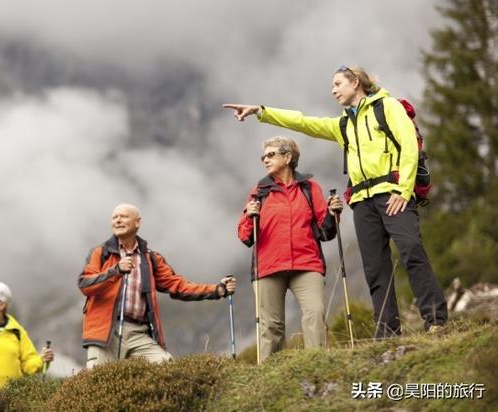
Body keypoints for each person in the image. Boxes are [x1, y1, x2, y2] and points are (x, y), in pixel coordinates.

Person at [223, 65, 448, 338]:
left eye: (338, 84)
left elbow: (409, 147)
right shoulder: (343, 124)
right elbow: (303, 122)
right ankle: (387, 332)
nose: (333, 90)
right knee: (375, 268)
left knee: (412, 251)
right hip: (363, 202)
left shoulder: (387, 107)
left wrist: (403, 190)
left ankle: (435, 319)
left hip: (393, 193)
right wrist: (261, 111)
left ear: (355, 82)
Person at [79, 203, 237, 368]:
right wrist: (115, 271)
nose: (117, 221)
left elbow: (178, 285)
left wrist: (217, 289)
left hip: (138, 333)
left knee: (168, 368)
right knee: (99, 382)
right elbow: (85, 285)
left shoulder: (150, 258)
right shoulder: (100, 253)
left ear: (137, 222)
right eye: (114, 217)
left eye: (123, 217)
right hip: (105, 333)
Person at [238, 136, 342, 362]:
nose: (265, 159)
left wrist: (334, 214)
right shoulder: (260, 191)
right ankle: (268, 378)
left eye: (271, 154)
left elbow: (326, 232)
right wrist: (249, 215)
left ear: (288, 157)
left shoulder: (309, 188)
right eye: (263, 156)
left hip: (307, 264)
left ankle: (318, 365)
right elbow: (245, 236)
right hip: (268, 267)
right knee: (271, 326)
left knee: (315, 312)